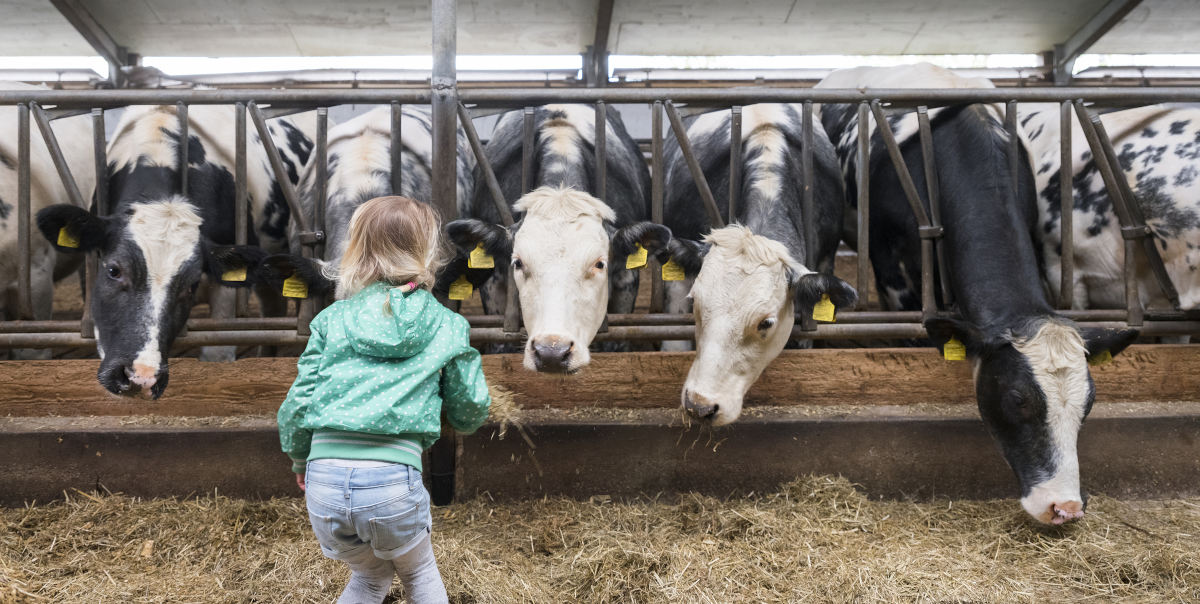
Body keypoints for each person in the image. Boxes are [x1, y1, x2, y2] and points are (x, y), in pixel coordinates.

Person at [277, 195, 490, 604]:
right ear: (427, 251)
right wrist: (455, 409)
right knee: (419, 572)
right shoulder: (446, 324)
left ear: (354, 249)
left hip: (323, 484)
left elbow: (298, 404)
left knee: (371, 579)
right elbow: (469, 409)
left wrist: (300, 460)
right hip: (392, 481)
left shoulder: (330, 320)